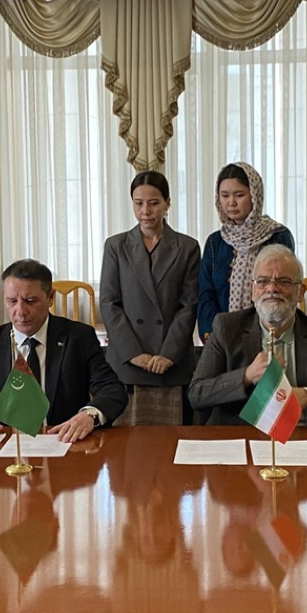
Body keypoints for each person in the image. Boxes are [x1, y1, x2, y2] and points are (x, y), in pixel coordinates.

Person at [0, 258, 128, 442]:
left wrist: (89, 415)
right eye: (12, 301)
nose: (20, 311)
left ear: (50, 297)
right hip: (3, 450)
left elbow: (111, 390)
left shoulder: (78, 339)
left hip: (62, 443)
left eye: (30, 301)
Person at [188, 244, 307, 425]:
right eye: (263, 281)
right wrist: (246, 376)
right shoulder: (227, 328)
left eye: (284, 282)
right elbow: (197, 394)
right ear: (253, 291)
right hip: (245, 433)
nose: (272, 288)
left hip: (305, 432)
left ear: (301, 292)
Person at [99, 171, 202, 425]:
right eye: (139, 203)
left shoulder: (187, 247)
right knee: (126, 444)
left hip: (171, 363)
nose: (145, 211)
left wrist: (168, 354)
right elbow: (110, 304)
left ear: (168, 203)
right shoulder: (116, 246)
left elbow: (188, 305)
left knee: (171, 441)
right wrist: (134, 354)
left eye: (154, 203)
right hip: (128, 362)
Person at [197, 162, 296, 339]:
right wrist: (216, 335)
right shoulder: (215, 242)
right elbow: (206, 293)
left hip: (267, 334)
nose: (231, 203)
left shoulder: (277, 236)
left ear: (254, 196)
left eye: (239, 195)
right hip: (222, 336)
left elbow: (281, 289)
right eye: (224, 195)